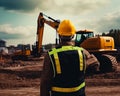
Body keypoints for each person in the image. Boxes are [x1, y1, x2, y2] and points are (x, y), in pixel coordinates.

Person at [40, 20, 99, 96]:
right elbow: (96, 65)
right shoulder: (82, 52)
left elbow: (45, 82)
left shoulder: (51, 55)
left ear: (59, 35)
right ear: (73, 35)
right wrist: (83, 70)